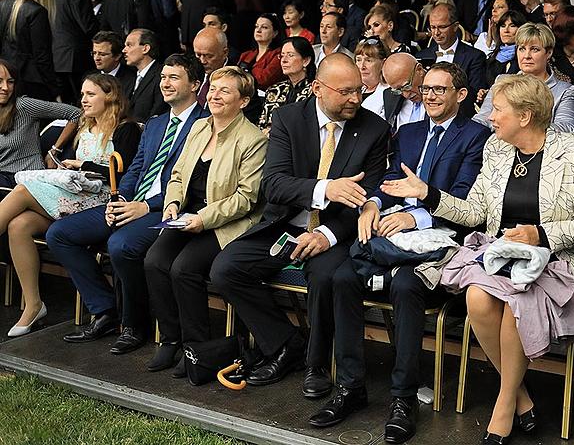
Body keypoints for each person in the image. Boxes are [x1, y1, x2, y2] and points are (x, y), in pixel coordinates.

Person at [382, 73, 574, 443]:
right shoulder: (497, 150)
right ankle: (520, 395)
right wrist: (428, 194)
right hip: (502, 255)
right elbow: (474, 212)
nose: (490, 117)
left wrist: (540, 234)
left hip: (555, 259)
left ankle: (504, 405)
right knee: (476, 296)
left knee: (517, 299)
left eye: (498, 110)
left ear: (526, 116)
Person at [209, 54, 390, 395]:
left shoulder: (374, 129)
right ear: (318, 88)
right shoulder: (289, 118)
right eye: (346, 92)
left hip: (336, 228)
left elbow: (369, 197)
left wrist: (326, 235)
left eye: (360, 90)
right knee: (226, 269)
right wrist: (326, 188)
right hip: (285, 224)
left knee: (323, 276)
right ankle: (285, 343)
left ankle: (316, 364)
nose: (356, 99)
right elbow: (273, 184)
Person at [328, 62, 490, 442]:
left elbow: (466, 197)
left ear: (461, 95)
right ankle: (350, 386)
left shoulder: (475, 136)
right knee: (342, 277)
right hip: (391, 232)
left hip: (441, 240)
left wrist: (416, 217)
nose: (430, 96)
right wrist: (371, 204)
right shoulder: (410, 131)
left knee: (404, 286)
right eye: (427, 89)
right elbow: (388, 181)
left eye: (440, 89)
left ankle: (402, 399)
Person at [46, 54, 206, 354]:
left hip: (170, 209)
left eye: (174, 77)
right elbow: (136, 168)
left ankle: (135, 324)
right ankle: (106, 309)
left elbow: (197, 184)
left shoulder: (205, 124)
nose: (165, 83)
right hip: (133, 202)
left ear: (195, 84)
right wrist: (119, 198)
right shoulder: (157, 123)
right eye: (163, 77)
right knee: (60, 234)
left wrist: (146, 206)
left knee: (121, 244)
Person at [145, 66, 267, 375]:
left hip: (227, 221)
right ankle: (170, 340)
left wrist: (202, 219)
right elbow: (176, 174)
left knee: (183, 269)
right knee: (154, 260)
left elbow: (246, 198)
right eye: (213, 88)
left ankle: (196, 350)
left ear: (243, 101)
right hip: (187, 216)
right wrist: (172, 204)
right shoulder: (199, 127)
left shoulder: (253, 139)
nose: (215, 94)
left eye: (225, 91)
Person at [2, 74, 140, 337]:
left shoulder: (126, 129)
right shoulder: (85, 129)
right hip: (75, 198)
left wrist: (82, 167)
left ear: (109, 97)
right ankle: (34, 305)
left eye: (90, 94)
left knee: (22, 190)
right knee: (18, 225)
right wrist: (66, 165)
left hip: (103, 202)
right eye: (83, 94)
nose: (83, 100)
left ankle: (101, 309)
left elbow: (125, 176)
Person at [476, 22, 574, 133]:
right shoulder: (502, 81)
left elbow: (567, 129)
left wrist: (517, 127)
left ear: (548, 53)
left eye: (534, 49)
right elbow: (482, 119)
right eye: (522, 49)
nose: (526, 56)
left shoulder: (564, 91)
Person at [0, 59, 80, 188]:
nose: (5, 87)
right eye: (0, 81)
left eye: (10, 82)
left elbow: (76, 114)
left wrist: (55, 150)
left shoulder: (23, 106)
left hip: (27, 179)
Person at [0, 0, 60, 100]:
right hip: (30, 81)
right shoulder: (38, 11)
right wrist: (54, 88)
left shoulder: (4, 5)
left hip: (5, 76)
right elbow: (42, 55)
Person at [416, 3, 487, 115]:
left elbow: (473, 96)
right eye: (433, 27)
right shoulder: (421, 56)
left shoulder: (475, 56)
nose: (436, 33)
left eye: (442, 27)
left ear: (455, 26)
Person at [53, 0, 100, 103]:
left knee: (66, 102)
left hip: (57, 56)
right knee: (82, 100)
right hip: (76, 57)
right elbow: (88, 26)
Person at [258, 36, 316, 132]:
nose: (283, 60)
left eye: (290, 55)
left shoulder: (316, 91)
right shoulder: (274, 90)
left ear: (306, 61)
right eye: (282, 55)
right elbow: (262, 125)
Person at [482, 9, 528, 92]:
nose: (506, 30)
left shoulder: (525, 58)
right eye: (503, 26)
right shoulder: (491, 58)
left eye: (512, 26)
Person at [238, 13, 284, 90]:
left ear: (275, 33)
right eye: (256, 26)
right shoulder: (245, 55)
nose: (258, 30)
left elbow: (263, 80)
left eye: (264, 27)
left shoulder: (279, 54)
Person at [356, 37, 392, 120]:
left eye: (368, 60)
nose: (362, 66)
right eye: (358, 60)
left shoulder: (389, 93)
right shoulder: (353, 89)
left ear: (383, 63)